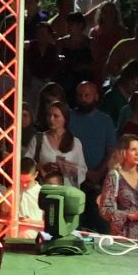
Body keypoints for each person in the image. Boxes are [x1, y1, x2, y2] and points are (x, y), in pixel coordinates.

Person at [27, 101, 90, 243]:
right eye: (49, 115)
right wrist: (43, 167)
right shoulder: (39, 139)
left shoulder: (75, 142)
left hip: (67, 194)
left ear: (64, 118)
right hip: (45, 192)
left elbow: (83, 170)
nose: (51, 119)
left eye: (56, 116)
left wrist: (72, 169)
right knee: (45, 227)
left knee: (65, 230)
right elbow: (27, 164)